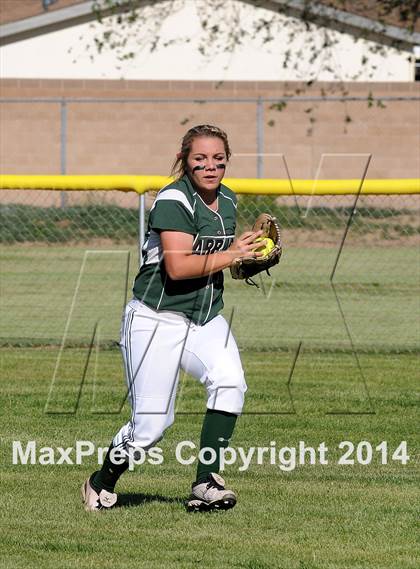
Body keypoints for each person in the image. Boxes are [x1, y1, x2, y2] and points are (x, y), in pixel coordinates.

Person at [81, 124, 263, 512]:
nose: (210, 167)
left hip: (203, 317)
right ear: (185, 160)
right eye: (200, 159)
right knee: (151, 427)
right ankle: (100, 482)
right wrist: (233, 256)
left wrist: (243, 254)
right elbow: (179, 267)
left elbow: (216, 260)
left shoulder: (227, 201)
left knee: (230, 381)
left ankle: (206, 481)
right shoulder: (173, 200)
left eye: (218, 159)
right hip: (155, 319)